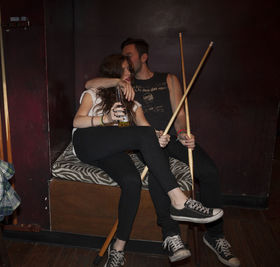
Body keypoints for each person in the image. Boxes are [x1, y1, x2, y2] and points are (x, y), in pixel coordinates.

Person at [85, 39, 240, 266]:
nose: (126, 61)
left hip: (173, 137)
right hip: (148, 140)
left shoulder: (168, 79)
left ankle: (215, 236)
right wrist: (118, 80)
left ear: (144, 56)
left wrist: (185, 133)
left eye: (130, 55)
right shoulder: (124, 83)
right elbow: (91, 83)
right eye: (123, 58)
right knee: (160, 170)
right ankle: (171, 235)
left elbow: (179, 115)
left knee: (209, 171)